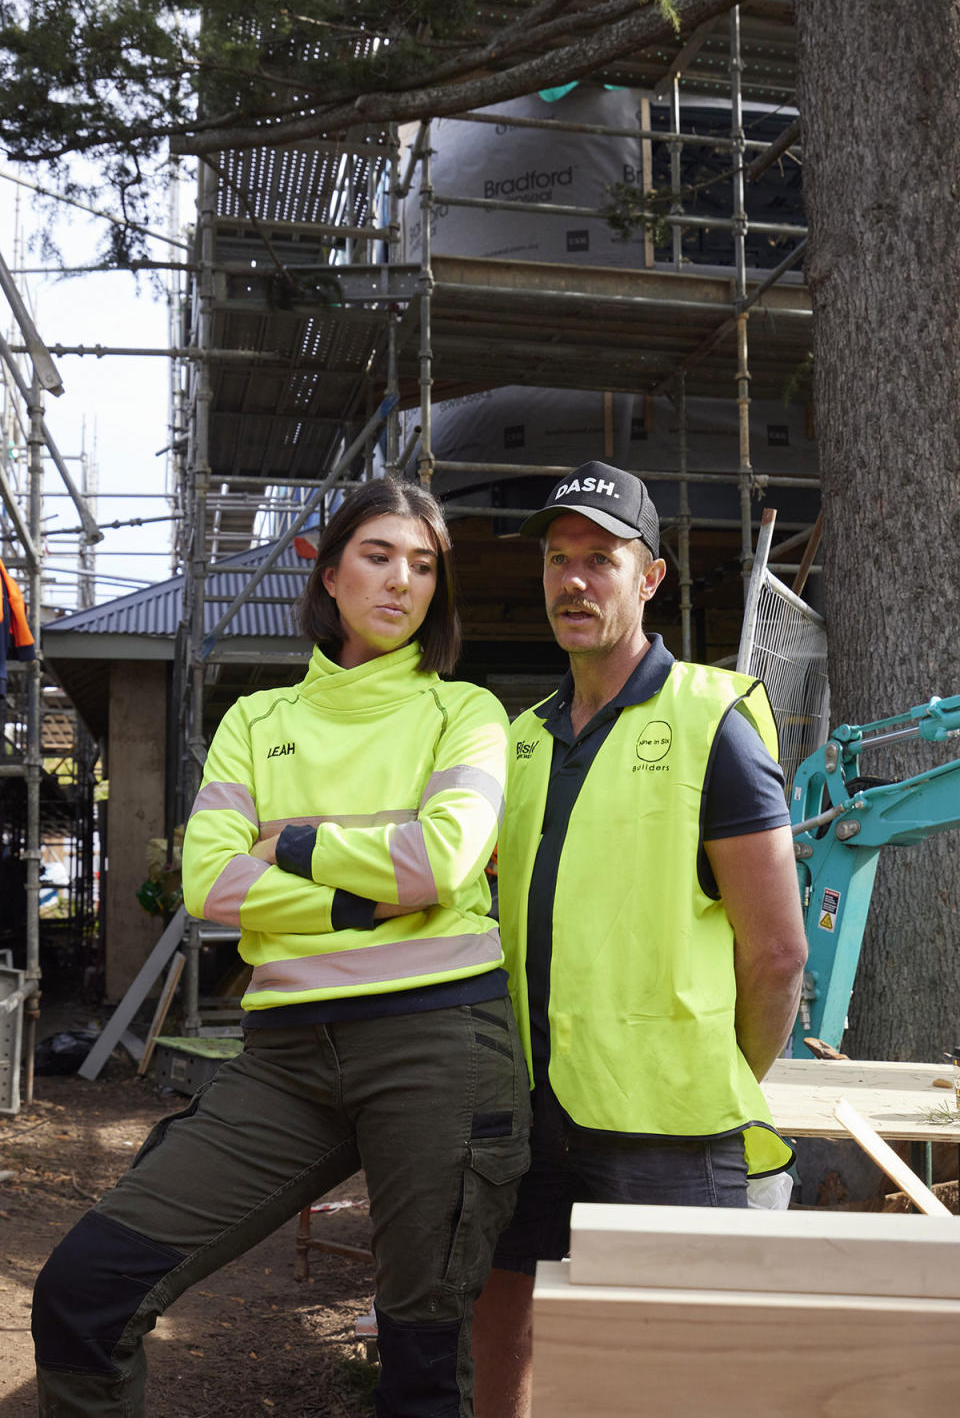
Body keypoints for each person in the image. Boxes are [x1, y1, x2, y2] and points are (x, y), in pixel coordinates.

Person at [33, 476, 530, 1418]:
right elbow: (211, 882)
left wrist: (294, 844)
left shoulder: (466, 713)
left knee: (420, 1367)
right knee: (83, 1296)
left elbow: (442, 858)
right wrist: (360, 906)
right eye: (379, 556)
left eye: (423, 566)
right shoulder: (257, 723)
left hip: (440, 1046)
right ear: (328, 567)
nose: (402, 582)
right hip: (287, 1059)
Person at [472, 461, 808, 1417]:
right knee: (507, 1317)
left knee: (666, 1365)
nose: (575, 581)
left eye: (601, 559)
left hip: (671, 1125)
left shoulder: (713, 720)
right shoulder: (522, 737)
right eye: (558, 559)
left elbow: (778, 951)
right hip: (529, 1104)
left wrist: (722, 1070)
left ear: (649, 577)